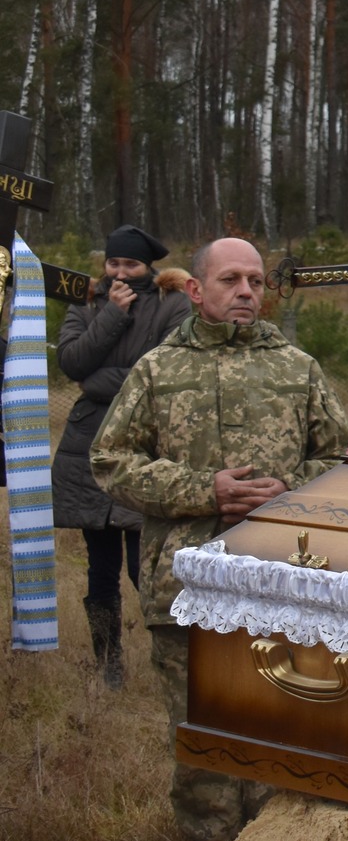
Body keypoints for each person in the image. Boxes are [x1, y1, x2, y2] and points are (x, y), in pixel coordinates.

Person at [92, 237, 348, 841]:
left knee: (281, 722)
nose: (245, 292)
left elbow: (346, 460)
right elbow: (110, 461)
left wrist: (290, 490)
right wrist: (202, 489)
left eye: (256, 282)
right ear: (195, 290)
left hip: (280, 582)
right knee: (201, 729)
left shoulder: (297, 367)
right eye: (231, 279)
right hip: (184, 586)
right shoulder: (157, 370)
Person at [52, 225, 190, 688]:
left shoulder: (173, 303)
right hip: (89, 445)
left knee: (145, 568)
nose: (120, 273)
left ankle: (171, 664)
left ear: (147, 267)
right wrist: (111, 315)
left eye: (130, 265)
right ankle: (108, 666)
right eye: (113, 263)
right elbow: (71, 361)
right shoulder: (90, 302)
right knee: (101, 568)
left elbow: (164, 370)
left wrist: (97, 381)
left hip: (146, 444)